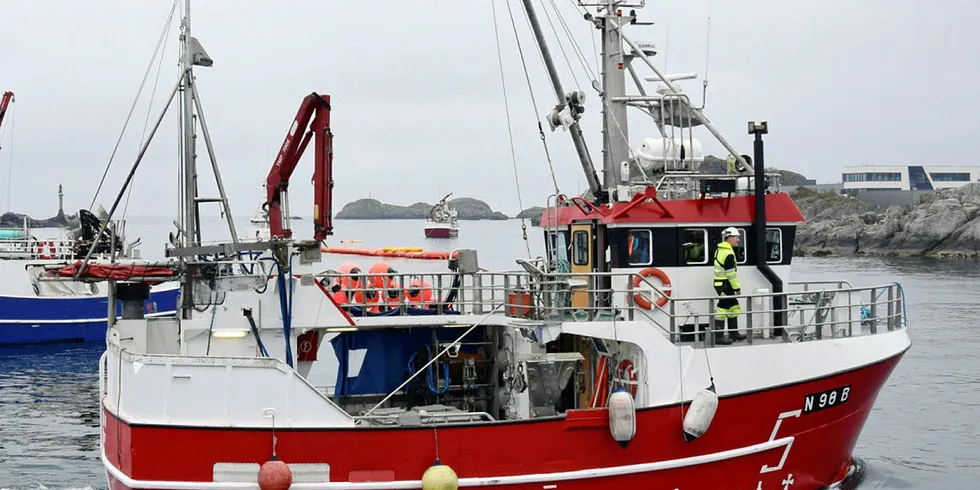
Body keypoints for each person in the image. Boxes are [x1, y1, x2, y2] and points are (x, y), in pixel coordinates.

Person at [713, 227, 748, 344]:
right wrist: (736, 288)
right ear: (730, 238)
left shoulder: (721, 250)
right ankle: (718, 337)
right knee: (723, 309)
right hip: (724, 285)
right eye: (736, 237)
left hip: (722, 284)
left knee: (733, 307)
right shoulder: (728, 253)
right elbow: (731, 274)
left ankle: (734, 333)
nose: (738, 240)